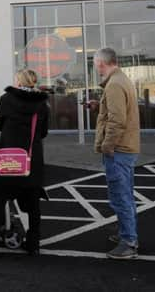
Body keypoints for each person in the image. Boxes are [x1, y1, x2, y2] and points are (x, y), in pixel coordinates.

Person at [0, 69, 49, 258]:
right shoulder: (43, 104)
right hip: (32, 159)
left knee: (0, 200)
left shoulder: (7, 99)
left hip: (9, 157)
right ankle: (33, 244)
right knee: (33, 205)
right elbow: (44, 132)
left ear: (19, 81)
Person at [90, 47, 140, 260]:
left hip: (118, 150)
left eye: (94, 63)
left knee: (120, 196)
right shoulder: (121, 80)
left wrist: (108, 146)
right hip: (126, 148)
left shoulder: (114, 85)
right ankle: (126, 234)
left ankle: (129, 241)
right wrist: (97, 107)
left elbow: (117, 121)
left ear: (101, 63)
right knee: (125, 194)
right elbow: (117, 112)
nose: (95, 67)